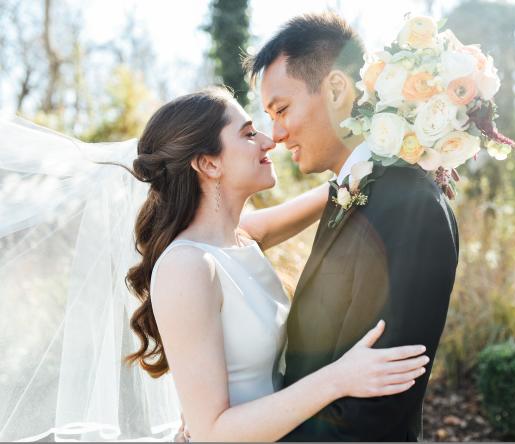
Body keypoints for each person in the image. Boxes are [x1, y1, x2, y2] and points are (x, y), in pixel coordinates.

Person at [123, 86, 431, 442]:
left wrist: (413, 145)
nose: (269, 141)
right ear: (209, 163)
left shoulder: (241, 237)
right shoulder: (188, 267)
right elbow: (212, 432)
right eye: (249, 133)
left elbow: (341, 188)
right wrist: (339, 378)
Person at [244, 12, 459, 441]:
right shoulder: (353, 190)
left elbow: (378, 406)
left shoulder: (409, 204)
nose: (277, 134)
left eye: (282, 110)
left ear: (338, 89)